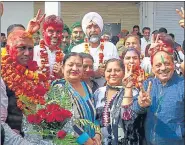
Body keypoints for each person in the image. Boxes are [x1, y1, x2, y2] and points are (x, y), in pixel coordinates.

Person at [133, 47, 184, 145]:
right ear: (152, 68)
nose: (163, 68)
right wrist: (141, 104)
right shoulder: (148, 84)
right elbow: (135, 108)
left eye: (167, 63)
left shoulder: (182, 86)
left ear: (173, 65)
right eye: (158, 65)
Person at [52, 52, 101, 145]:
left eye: (79, 65)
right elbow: (65, 123)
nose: (74, 68)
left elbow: (95, 115)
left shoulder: (86, 86)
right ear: (63, 67)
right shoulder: (59, 88)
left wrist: (97, 134)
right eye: (70, 65)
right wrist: (87, 141)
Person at [94, 58, 146, 145]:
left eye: (117, 70)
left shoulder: (132, 92)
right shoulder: (99, 92)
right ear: (104, 73)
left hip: (127, 140)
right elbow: (94, 117)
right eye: (109, 70)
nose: (113, 73)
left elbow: (130, 118)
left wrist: (128, 88)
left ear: (123, 73)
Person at [71, 12, 119, 87]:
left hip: (106, 90)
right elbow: (73, 73)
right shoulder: (76, 50)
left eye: (96, 26)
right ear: (85, 30)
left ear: (100, 29)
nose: (93, 30)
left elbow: (117, 69)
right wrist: (93, 73)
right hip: (83, 90)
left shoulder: (111, 47)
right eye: (89, 27)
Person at [33, 13, 64, 80]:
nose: (55, 35)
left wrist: (62, 74)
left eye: (58, 32)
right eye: (51, 31)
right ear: (44, 33)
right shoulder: (34, 51)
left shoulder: (64, 56)